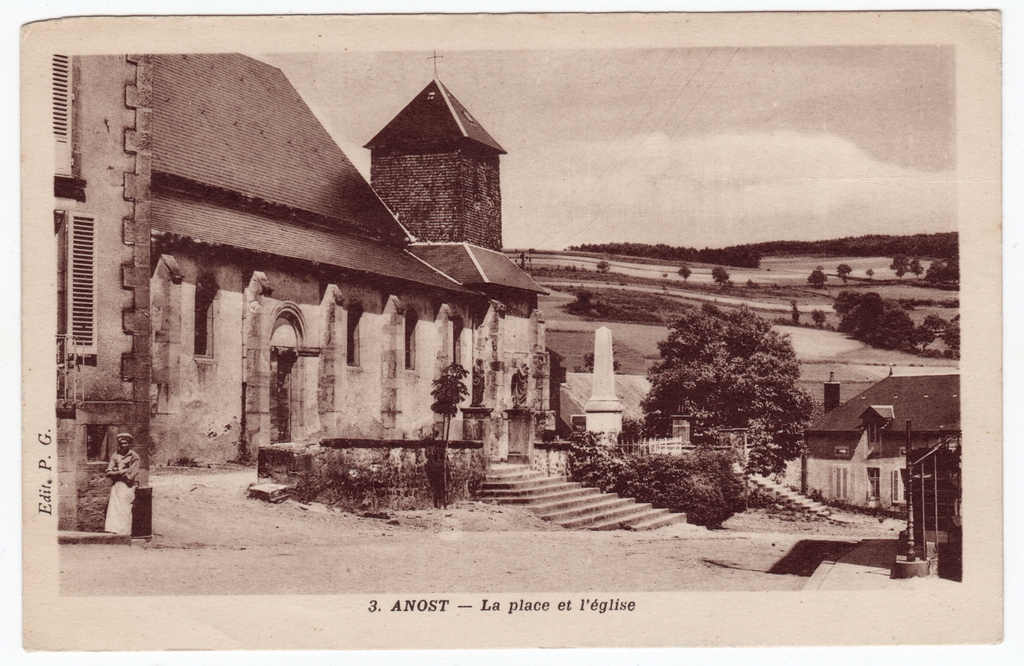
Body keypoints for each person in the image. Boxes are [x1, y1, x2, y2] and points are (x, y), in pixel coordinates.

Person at [104, 433, 141, 535]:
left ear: (129, 444)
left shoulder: (134, 456)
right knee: (114, 508)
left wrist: (117, 472)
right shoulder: (116, 455)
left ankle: (124, 533)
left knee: (125, 509)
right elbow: (108, 472)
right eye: (121, 443)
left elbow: (130, 474)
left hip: (127, 486)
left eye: (125, 443)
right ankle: (114, 532)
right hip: (117, 486)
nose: (123, 445)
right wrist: (120, 471)